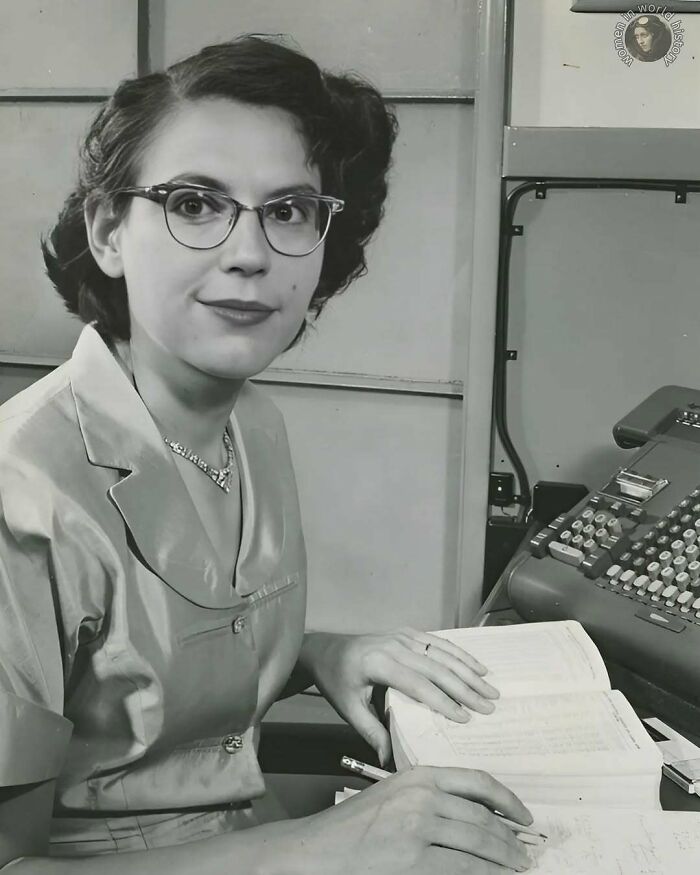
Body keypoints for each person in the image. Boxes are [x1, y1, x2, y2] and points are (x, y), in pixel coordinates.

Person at [0, 36, 533, 873]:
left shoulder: (255, 425)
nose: (249, 254)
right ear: (109, 232)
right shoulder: (18, 490)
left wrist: (321, 652)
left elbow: (149, 671)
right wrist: (326, 844)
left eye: (287, 210)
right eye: (195, 203)